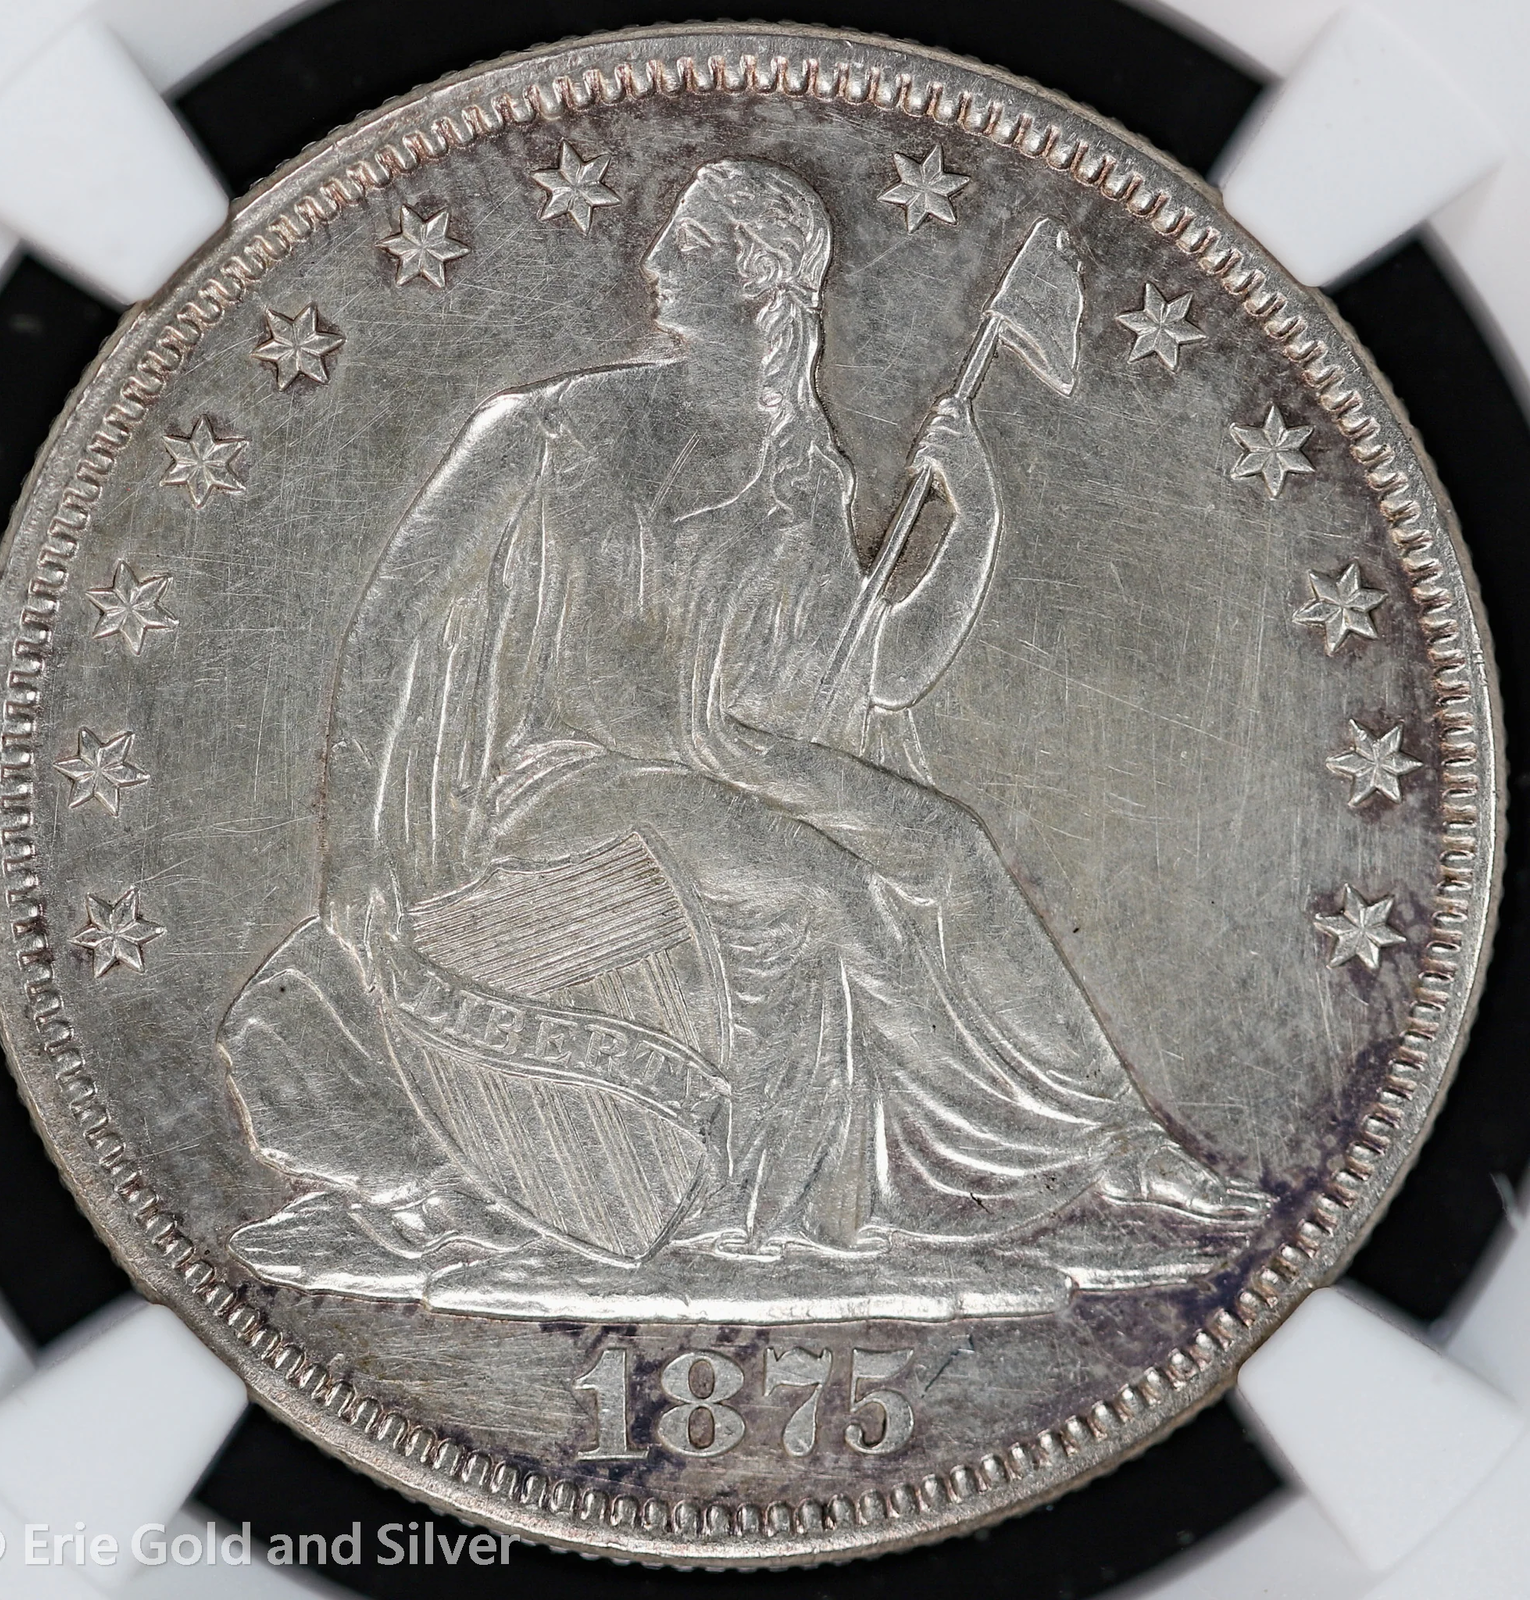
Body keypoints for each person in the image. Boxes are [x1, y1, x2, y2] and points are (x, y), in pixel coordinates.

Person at [220, 158, 1266, 1301]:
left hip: (722, 758)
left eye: (687, 249)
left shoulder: (797, 471)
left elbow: (882, 672)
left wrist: (971, 521)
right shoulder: (547, 432)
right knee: (824, 885)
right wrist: (356, 849)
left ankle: (1113, 1143)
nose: (654, 264)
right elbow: (393, 621)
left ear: (758, 287)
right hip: (564, 782)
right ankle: (921, 1186)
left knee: (949, 843)